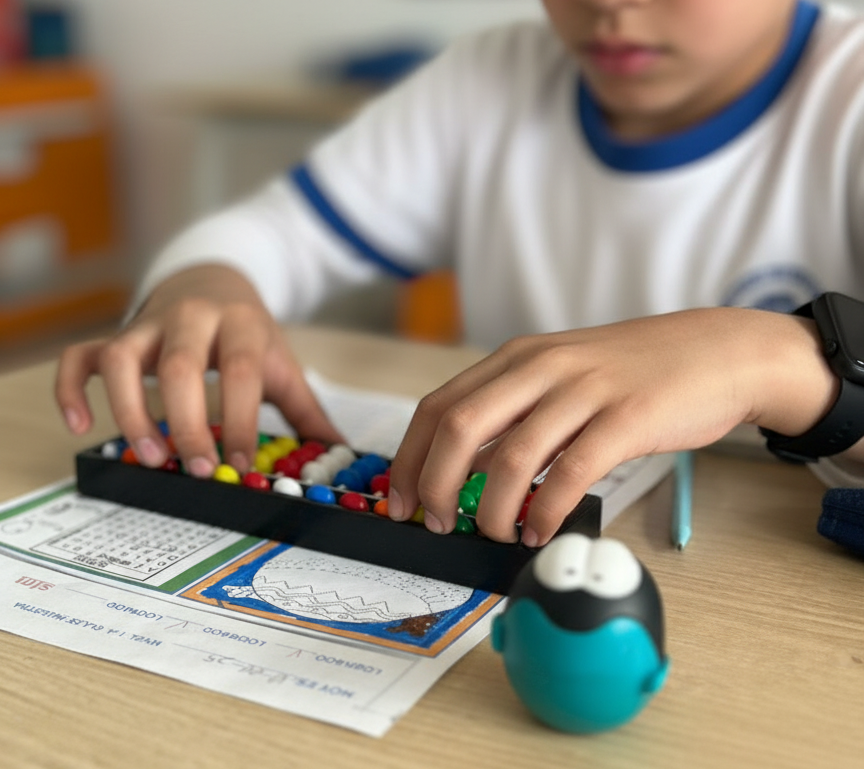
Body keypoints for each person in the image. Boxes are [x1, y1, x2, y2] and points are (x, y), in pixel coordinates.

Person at [55, 0, 864, 548]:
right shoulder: (490, 79)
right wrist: (205, 279)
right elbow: (273, 233)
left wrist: (778, 359)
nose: (610, 5)